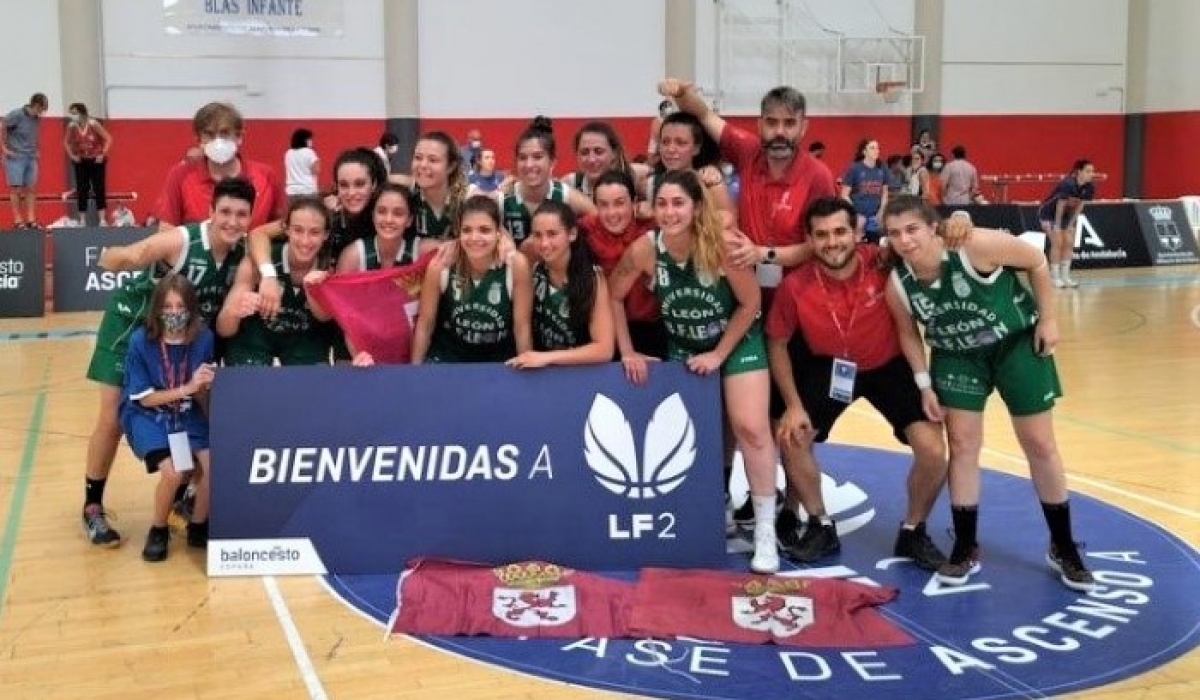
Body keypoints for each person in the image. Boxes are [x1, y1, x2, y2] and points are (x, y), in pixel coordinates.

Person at [883, 194, 1095, 592]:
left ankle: (1062, 545)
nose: (905, 240)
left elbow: (1035, 260)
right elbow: (907, 332)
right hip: (957, 356)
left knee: (1039, 443)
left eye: (912, 229)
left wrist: (1048, 319)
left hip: (1014, 344)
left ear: (933, 227)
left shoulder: (973, 244)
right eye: (895, 233)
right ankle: (965, 547)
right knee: (962, 445)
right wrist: (924, 383)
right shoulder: (898, 283)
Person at [609, 169, 779, 575]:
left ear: (697, 206)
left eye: (678, 203)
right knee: (699, 435)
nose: (669, 212)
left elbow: (750, 303)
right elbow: (613, 295)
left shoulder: (721, 245)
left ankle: (766, 531)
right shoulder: (646, 248)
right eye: (662, 203)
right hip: (684, 346)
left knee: (750, 427)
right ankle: (714, 508)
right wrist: (628, 351)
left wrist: (720, 354)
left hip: (737, 343)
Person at [765, 196, 947, 569]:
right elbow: (777, 343)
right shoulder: (795, 286)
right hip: (831, 367)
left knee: (933, 450)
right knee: (793, 436)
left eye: (840, 232)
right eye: (821, 235)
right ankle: (820, 523)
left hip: (888, 364)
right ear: (810, 240)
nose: (832, 242)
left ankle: (913, 531)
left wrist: (960, 219)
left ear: (857, 232)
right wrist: (793, 405)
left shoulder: (884, 261)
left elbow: (932, 240)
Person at [83, 177, 255, 547]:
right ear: (211, 212)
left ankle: (184, 495)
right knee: (112, 417)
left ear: (249, 219)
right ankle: (93, 507)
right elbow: (129, 255)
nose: (232, 221)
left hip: (184, 339)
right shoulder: (181, 241)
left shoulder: (242, 257)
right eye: (224, 212)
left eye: (241, 215)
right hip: (135, 326)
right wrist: (118, 257)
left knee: (194, 411)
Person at [658, 78, 837, 299]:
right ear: (760, 125)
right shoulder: (748, 150)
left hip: (797, 293)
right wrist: (680, 93)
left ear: (803, 128)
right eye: (771, 123)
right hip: (743, 286)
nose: (780, 132)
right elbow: (704, 115)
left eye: (789, 123)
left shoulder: (818, 175)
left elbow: (822, 243)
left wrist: (764, 254)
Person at [118, 273, 216, 561]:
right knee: (173, 473)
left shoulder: (203, 338)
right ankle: (158, 529)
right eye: (168, 306)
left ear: (191, 309)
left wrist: (205, 394)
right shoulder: (141, 341)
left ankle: (199, 525)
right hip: (148, 415)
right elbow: (145, 398)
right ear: (157, 309)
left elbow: (199, 391)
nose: (174, 313)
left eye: (181, 306)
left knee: (214, 466)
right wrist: (188, 387)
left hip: (187, 414)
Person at [410, 195, 533, 363]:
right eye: (467, 230)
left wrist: (525, 376)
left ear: (499, 233)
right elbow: (425, 325)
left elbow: (522, 328)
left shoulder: (516, 265)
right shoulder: (441, 264)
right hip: (449, 356)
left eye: (484, 230)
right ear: (458, 232)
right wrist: (414, 372)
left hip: (498, 358)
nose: (474, 237)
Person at [218, 197, 337, 366]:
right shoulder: (259, 261)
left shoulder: (329, 269)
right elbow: (224, 329)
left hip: (304, 343)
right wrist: (236, 310)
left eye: (314, 232)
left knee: (312, 387)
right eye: (298, 230)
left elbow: (325, 317)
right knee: (249, 382)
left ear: (326, 234)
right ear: (286, 229)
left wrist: (313, 290)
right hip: (254, 342)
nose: (305, 240)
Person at [507, 200, 614, 368]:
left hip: (578, 368)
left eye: (552, 234)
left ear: (572, 234)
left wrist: (546, 358)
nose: (544, 243)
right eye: (537, 234)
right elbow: (523, 324)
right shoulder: (529, 257)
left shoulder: (592, 278)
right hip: (539, 365)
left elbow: (604, 349)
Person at [152, 102, 286, 230]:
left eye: (225, 133)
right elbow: (167, 230)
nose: (218, 141)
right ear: (199, 140)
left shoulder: (266, 176)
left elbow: (282, 225)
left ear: (239, 137)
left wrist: (256, 239)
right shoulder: (180, 176)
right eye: (209, 134)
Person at [579, 170, 666, 360]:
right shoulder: (585, 229)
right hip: (603, 328)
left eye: (620, 203)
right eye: (603, 205)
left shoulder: (654, 227)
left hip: (652, 327)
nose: (612, 213)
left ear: (634, 202)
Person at [496, 117, 596, 245]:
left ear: (552, 162)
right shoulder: (502, 199)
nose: (529, 164)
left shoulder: (566, 196)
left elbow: (600, 223)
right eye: (522, 158)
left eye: (537, 157)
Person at [642, 111, 732, 215]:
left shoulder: (711, 183)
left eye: (680, 143)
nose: (671, 149)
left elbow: (730, 222)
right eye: (665, 142)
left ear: (696, 148)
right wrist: (637, 210)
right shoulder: (649, 185)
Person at [390, 131, 468, 242]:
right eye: (418, 157)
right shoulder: (404, 199)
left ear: (451, 166)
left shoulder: (467, 201)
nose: (423, 165)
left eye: (433, 160)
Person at [1038, 159, 1096, 289]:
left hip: (1066, 215)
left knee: (1069, 242)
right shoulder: (1067, 184)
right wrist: (1057, 226)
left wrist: (1070, 224)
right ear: (1079, 172)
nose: (1091, 174)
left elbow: (1080, 206)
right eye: (1088, 171)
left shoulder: (1090, 187)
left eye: (1092, 171)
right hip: (1048, 213)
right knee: (1057, 242)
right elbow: (1060, 205)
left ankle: (1065, 277)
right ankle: (1055, 278)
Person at [562, 121, 647, 200]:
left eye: (598, 152)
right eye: (584, 152)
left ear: (614, 153)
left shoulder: (634, 177)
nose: (591, 160)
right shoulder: (569, 185)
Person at [2, 93, 49, 228]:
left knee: (31, 188)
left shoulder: (36, 118)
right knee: (15, 189)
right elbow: (2, 126)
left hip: (31, 156)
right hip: (15, 156)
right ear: (35, 105)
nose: (42, 112)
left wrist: (36, 149)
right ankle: (18, 221)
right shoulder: (16, 115)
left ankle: (31, 220)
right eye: (42, 109)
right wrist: (4, 148)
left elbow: (32, 134)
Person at [63, 102, 113, 226]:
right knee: (81, 189)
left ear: (82, 113)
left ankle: (102, 219)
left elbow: (108, 139)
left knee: (99, 188)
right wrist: (72, 156)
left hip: (96, 160)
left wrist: (102, 154)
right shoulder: (72, 126)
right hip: (81, 160)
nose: (73, 116)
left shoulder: (93, 124)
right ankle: (82, 219)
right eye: (71, 114)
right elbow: (66, 142)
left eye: (74, 113)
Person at [840, 138, 889, 243]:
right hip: (858, 216)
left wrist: (881, 212)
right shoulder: (855, 168)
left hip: (875, 216)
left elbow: (885, 193)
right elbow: (844, 195)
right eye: (872, 148)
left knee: (874, 245)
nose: (876, 150)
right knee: (857, 244)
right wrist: (856, 214)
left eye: (877, 148)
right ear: (864, 151)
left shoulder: (882, 168)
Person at [283, 127, 320, 198]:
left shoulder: (288, 153)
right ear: (304, 140)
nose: (311, 141)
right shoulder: (309, 152)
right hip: (308, 190)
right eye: (309, 139)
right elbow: (316, 170)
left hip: (292, 191)